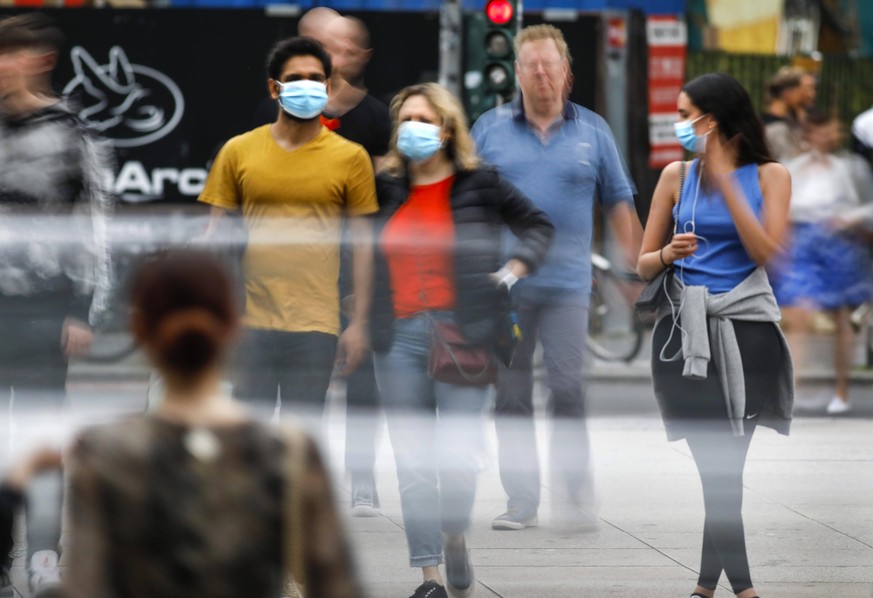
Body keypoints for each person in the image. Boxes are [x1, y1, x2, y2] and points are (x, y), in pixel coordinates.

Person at [63, 249, 362, 598]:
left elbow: (86, 585)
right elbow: (335, 585)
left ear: (139, 329)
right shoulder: (289, 450)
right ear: (233, 328)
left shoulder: (105, 452)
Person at [370, 83, 553, 598]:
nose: (413, 129)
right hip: (398, 335)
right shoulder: (385, 186)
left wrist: (513, 270)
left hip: (465, 332)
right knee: (412, 460)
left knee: (457, 454)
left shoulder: (482, 183)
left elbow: (538, 226)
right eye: (405, 120)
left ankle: (454, 535)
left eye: (424, 119)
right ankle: (428, 574)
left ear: (446, 129)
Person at [470, 24, 638, 531]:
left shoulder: (594, 131)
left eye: (550, 65)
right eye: (531, 65)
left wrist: (634, 275)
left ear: (567, 72)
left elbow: (619, 204)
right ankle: (521, 501)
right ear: (516, 73)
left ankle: (575, 490)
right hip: (508, 292)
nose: (541, 74)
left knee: (567, 389)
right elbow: (469, 206)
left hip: (568, 287)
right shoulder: (488, 129)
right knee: (512, 397)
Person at [637, 72, 794, 598]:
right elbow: (641, 264)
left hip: (749, 336)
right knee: (717, 473)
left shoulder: (771, 176)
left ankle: (709, 590)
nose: (680, 125)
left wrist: (727, 181)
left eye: (688, 115)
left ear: (717, 119)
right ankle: (739, 592)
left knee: (725, 474)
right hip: (688, 340)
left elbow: (768, 254)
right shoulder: (676, 176)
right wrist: (666, 255)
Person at [198, 36, 377, 421]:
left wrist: (359, 323)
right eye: (295, 78)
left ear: (328, 87)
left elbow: (363, 246)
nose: (307, 85)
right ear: (273, 88)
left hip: (317, 323)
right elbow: (214, 239)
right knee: (249, 438)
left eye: (316, 78)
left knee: (302, 440)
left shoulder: (351, 157)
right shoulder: (238, 151)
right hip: (248, 322)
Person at [0, 13, 111, 591]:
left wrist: (83, 307)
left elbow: (94, 225)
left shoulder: (71, 131)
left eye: (7, 55)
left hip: (45, 309)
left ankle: (43, 558)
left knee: (40, 439)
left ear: (36, 60)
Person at [774, 111, 872, 415]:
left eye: (829, 130)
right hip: (804, 242)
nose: (824, 137)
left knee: (842, 316)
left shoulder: (851, 167)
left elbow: (868, 204)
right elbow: (783, 208)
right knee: (798, 311)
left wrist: (849, 219)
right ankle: (793, 385)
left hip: (840, 241)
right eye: (818, 130)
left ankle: (841, 390)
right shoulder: (794, 168)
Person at [762, 67, 806, 162]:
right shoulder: (776, 127)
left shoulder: (789, 121)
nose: (802, 97)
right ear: (788, 93)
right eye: (799, 92)